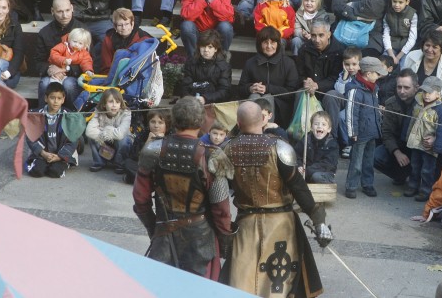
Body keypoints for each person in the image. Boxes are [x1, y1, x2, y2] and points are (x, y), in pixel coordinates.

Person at [223, 100, 331, 294]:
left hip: (246, 224)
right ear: (263, 120)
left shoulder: (228, 149)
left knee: (242, 282)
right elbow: (298, 187)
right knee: (279, 286)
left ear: (238, 123)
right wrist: (318, 221)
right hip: (281, 224)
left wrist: (221, 226)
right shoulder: (280, 148)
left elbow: (219, 192)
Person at [133, 96, 234, 277]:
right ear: (201, 122)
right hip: (201, 239)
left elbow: (140, 199)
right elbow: (222, 209)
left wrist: (154, 228)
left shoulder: (153, 149)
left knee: (160, 286)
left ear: (174, 119)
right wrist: (225, 240)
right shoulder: (212, 156)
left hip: (163, 236)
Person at [342, 56, 387, 199]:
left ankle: (367, 183)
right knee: (356, 161)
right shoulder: (355, 90)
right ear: (368, 74)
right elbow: (351, 112)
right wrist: (352, 132)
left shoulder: (373, 88)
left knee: (369, 160)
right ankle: (351, 185)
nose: (378, 76)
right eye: (377, 73)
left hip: (372, 131)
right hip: (360, 133)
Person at [404, 76, 442, 201]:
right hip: (416, 142)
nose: (426, 95)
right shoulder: (417, 103)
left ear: (438, 94)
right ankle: (412, 185)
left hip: (429, 146)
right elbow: (410, 121)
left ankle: (425, 190)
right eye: (424, 91)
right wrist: (406, 136)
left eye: (430, 92)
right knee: (415, 166)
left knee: (427, 169)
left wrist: (437, 145)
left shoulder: (441, 110)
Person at [295, 15, 345, 134]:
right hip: (310, 88)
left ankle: (331, 136)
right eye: (313, 35)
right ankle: (301, 134)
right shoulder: (304, 49)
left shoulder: (339, 51)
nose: (317, 40)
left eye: (321, 35)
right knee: (300, 92)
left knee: (331, 96)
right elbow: (299, 73)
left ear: (329, 34)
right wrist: (306, 82)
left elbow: (336, 78)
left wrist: (317, 85)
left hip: (331, 91)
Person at [239, 25, 300, 124]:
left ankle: (267, 130)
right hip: (254, 103)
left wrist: (268, 88)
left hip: (280, 108)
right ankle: (251, 129)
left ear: (278, 44)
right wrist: (250, 88)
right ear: (260, 44)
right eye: (265, 42)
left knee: (268, 97)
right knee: (254, 96)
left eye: (272, 42)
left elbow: (292, 92)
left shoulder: (288, 63)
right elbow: (240, 89)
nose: (269, 46)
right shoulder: (250, 63)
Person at [34, 0, 86, 108]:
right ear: (52, 11)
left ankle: (72, 115)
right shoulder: (45, 33)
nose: (65, 15)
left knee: (69, 85)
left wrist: (66, 69)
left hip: (74, 75)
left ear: (72, 8)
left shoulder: (83, 31)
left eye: (67, 10)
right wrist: (49, 69)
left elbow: (90, 61)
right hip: (52, 74)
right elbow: (38, 62)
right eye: (60, 11)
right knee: (44, 84)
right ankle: (42, 115)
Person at [374, 69, 418, 183]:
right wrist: (397, 152)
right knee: (376, 156)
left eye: (406, 88)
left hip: (417, 147)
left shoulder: (423, 103)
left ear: (416, 88)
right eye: (399, 87)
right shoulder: (391, 103)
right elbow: (387, 132)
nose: (402, 91)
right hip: (399, 144)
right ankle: (401, 176)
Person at [26, 83, 76, 178]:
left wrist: (60, 156)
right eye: (52, 98)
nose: (56, 101)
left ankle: (63, 163)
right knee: (37, 171)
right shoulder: (36, 115)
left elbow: (73, 140)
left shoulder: (69, 116)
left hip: (60, 155)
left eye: (59, 98)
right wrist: (43, 153)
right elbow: (30, 137)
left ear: (63, 100)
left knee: (55, 172)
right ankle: (36, 162)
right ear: (46, 98)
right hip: (42, 154)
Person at [403, 29, 442, 106]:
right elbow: (402, 82)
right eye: (427, 45)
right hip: (410, 104)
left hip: (438, 108)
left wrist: (439, 110)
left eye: (434, 47)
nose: (429, 50)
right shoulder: (412, 57)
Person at [178, 29, 232, 104]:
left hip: (214, 103)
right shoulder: (191, 63)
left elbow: (225, 91)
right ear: (199, 47)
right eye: (203, 46)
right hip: (192, 102)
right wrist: (190, 100)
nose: (206, 50)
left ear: (216, 49)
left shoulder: (224, 67)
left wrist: (205, 98)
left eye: (210, 47)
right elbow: (185, 87)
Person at [86, 88, 132, 173]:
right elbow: (89, 131)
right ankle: (99, 162)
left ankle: (120, 164)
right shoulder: (99, 112)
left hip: (119, 146)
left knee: (124, 140)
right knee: (92, 138)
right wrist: (104, 133)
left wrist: (108, 129)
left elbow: (120, 134)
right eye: (111, 102)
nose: (114, 105)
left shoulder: (126, 113)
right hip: (106, 144)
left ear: (120, 104)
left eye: (117, 102)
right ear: (104, 104)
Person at [98, 8, 151, 75]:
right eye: (120, 25)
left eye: (127, 24)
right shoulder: (108, 39)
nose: (124, 28)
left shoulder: (143, 38)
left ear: (132, 24)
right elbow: (106, 66)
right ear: (115, 26)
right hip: (114, 75)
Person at [296, 111, 339, 183]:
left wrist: (307, 170)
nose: (319, 126)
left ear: (329, 129)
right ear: (311, 127)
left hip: (323, 172)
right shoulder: (306, 139)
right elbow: (296, 155)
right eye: (316, 124)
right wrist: (299, 166)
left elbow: (328, 164)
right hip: (305, 172)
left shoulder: (332, 144)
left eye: (323, 124)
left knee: (316, 176)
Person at [383, 0, 418, 66]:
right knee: (384, 64)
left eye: (400, 2)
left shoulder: (412, 15)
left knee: (405, 65)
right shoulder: (387, 15)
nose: (397, 5)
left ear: (407, 2)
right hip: (391, 46)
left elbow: (412, 38)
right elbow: (386, 35)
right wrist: (391, 54)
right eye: (394, 1)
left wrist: (398, 57)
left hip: (407, 48)